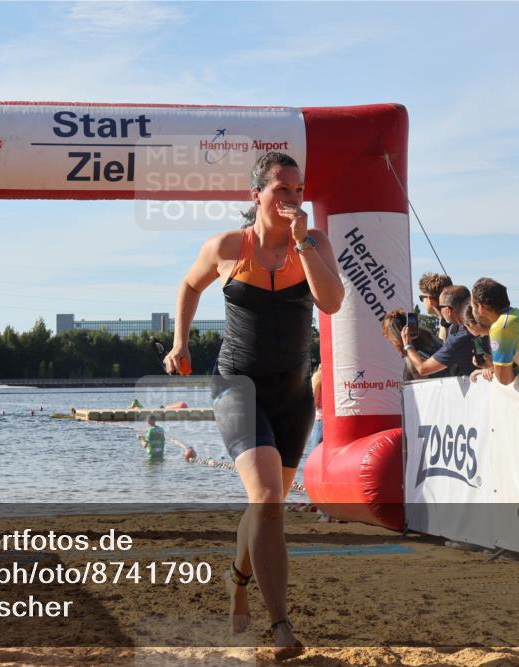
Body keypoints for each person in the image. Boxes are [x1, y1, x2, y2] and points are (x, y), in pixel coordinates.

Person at [163, 152, 344, 659]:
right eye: (281, 189)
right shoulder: (227, 246)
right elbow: (188, 285)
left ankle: (237, 579)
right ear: (256, 195)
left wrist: (305, 242)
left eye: (297, 189)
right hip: (236, 385)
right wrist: (180, 343)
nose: (291, 198)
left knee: (267, 507)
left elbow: (330, 303)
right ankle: (282, 625)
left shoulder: (314, 244)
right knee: (266, 498)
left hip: (291, 394)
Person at [401, 286, 479, 378]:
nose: (439, 310)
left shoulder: (458, 336)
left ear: (448, 310)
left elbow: (423, 369)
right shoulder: (480, 321)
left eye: (440, 307)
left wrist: (408, 345)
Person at [381, 310, 443, 380]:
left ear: (395, 338)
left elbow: (422, 386)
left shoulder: (413, 356)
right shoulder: (429, 337)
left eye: (390, 339)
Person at [419, 272, 453, 340]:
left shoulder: (449, 326)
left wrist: (408, 346)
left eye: (421, 298)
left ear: (429, 299)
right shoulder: (455, 320)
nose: (422, 302)